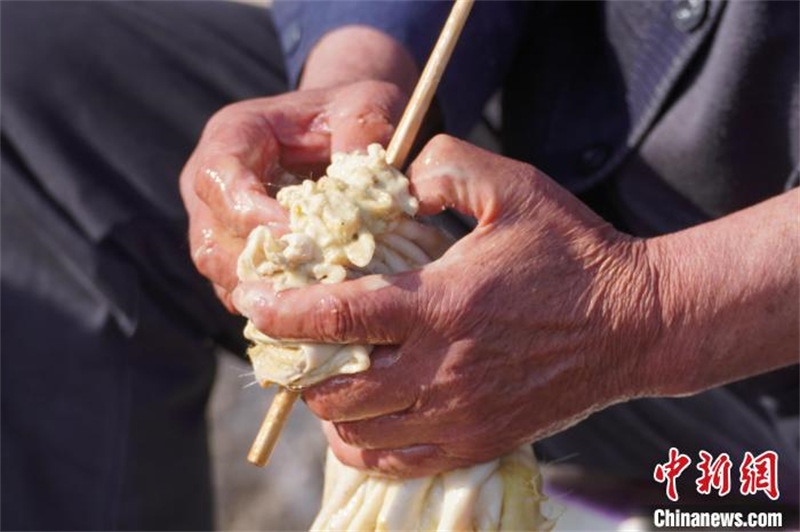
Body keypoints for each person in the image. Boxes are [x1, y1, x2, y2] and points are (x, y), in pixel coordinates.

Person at [1, 1, 797, 530]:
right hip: (540, 156)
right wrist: (355, 88)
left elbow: (654, 306)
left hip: (760, 356)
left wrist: (654, 310)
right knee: (35, 85)